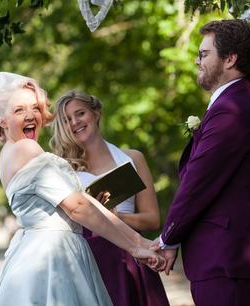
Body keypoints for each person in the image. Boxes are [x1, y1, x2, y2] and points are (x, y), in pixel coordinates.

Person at [0, 72, 165, 306]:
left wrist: (139, 242)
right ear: (2, 119)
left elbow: (83, 202)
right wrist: (134, 247)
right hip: (53, 258)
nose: (31, 116)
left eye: (35, 108)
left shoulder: (9, 153)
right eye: (19, 110)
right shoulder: (26, 149)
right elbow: (79, 207)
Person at [151, 19, 250, 306]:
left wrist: (168, 239)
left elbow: (198, 182)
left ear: (230, 58)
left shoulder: (233, 111)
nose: (196, 61)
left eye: (204, 54)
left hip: (228, 263)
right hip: (227, 263)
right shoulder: (239, 104)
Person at [50, 91, 169, 306]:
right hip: (88, 260)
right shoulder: (64, 168)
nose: (75, 122)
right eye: (67, 120)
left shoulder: (132, 158)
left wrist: (116, 216)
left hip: (130, 257)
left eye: (80, 113)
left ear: (96, 113)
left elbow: (152, 219)